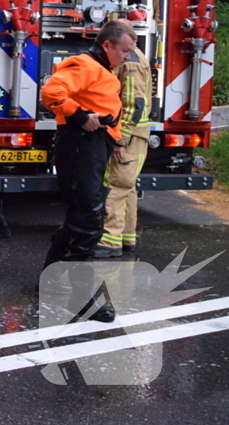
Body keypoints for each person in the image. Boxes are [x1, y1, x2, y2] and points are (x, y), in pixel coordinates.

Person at [40, 19, 136, 323]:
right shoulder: (86, 65)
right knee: (88, 222)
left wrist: (114, 139)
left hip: (91, 145)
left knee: (80, 218)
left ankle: (51, 280)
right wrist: (80, 115)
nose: (127, 57)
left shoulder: (102, 69)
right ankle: (81, 300)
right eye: (124, 51)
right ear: (107, 45)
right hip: (81, 144)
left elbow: (102, 106)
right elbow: (51, 91)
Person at [94, 39, 152, 258]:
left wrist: (120, 139)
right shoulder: (135, 57)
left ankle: (108, 242)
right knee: (127, 187)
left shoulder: (130, 62)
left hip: (129, 137)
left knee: (115, 185)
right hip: (136, 136)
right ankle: (126, 237)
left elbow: (132, 104)